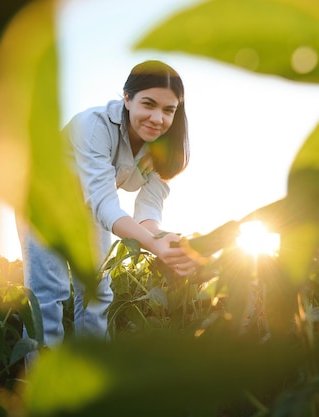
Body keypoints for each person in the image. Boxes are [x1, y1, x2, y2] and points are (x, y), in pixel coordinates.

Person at [20, 60, 198, 352]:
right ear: (127, 99)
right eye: (148, 104)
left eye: (169, 110)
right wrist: (156, 246)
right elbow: (105, 202)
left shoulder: (164, 149)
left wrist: (163, 239)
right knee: (49, 295)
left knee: (97, 293)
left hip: (88, 210)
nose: (158, 118)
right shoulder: (93, 126)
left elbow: (148, 213)